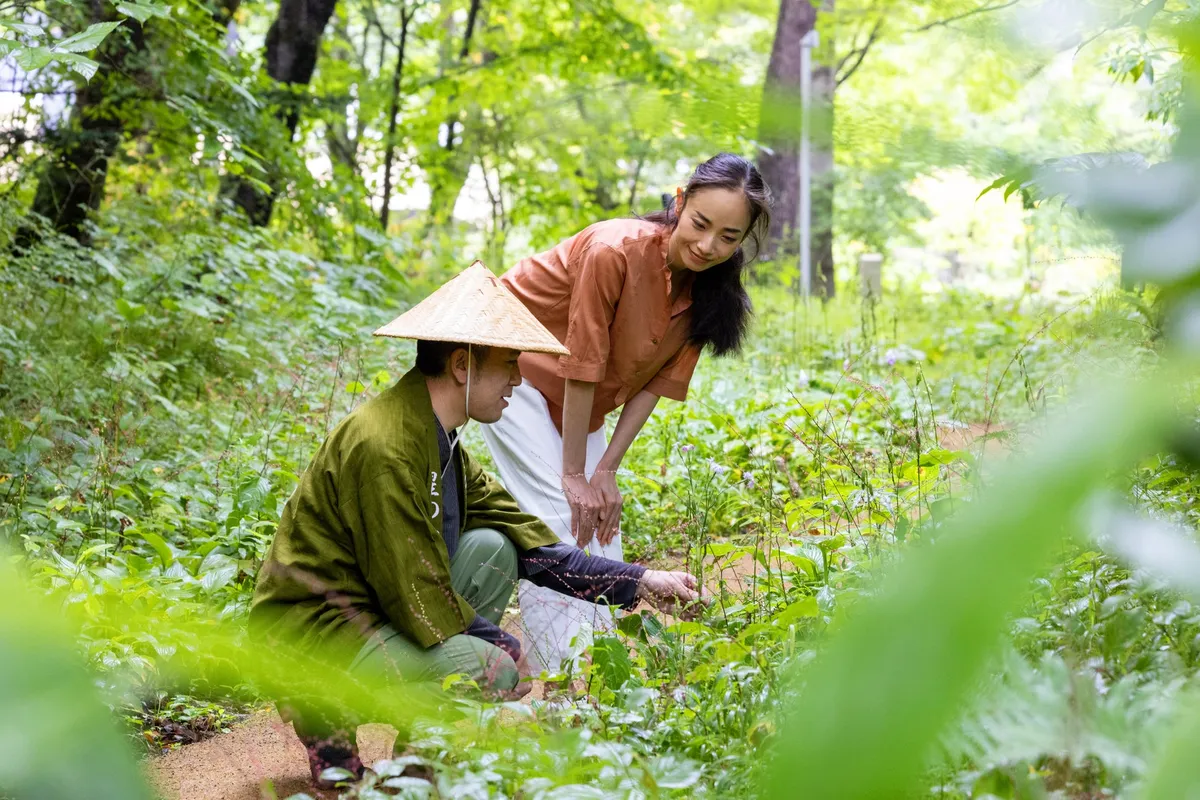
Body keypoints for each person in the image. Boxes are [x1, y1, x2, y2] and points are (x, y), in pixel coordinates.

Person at [248, 262, 704, 789]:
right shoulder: (386, 446)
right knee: (495, 669)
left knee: (493, 547)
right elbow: (413, 592)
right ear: (463, 365)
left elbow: (528, 540)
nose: (518, 378)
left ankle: (422, 753)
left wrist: (642, 581)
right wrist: (507, 650)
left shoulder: (437, 433)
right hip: (313, 632)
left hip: (370, 604)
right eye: (510, 364)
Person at [481, 153, 771, 674]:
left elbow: (656, 383)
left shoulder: (709, 291)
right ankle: (567, 679)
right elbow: (582, 359)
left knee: (600, 525)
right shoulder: (614, 249)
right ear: (679, 203)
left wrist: (606, 469)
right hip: (508, 370)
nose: (708, 247)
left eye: (728, 238)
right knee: (559, 516)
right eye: (700, 225)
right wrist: (573, 474)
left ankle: (600, 672)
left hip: (579, 401)